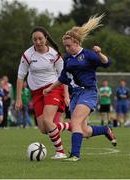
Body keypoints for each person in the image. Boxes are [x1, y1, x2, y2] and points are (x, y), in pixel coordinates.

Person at [43, 14, 117, 161]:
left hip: (88, 92)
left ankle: (75, 155)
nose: (67, 48)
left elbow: (107, 63)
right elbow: (63, 78)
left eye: (69, 45)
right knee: (83, 131)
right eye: (65, 46)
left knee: (75, 122)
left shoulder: (88, 55)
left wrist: (100, 53)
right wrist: (50, 89)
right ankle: (105, 129)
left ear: (76, 42)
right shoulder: (68, 58)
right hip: (75, 95)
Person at [15, 26, 71, 159]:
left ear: (46, 38)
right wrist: (18, 98)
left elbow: (64, 76)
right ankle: (69, 125)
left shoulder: (55, 55)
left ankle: (60, 152)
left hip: (53, 88)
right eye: (35, 39)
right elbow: (20, 77)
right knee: (43, 129)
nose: (38, 42)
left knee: (47, 120)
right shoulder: (27, 55)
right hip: (37, 93)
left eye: (40, 38)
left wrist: (67, 95)